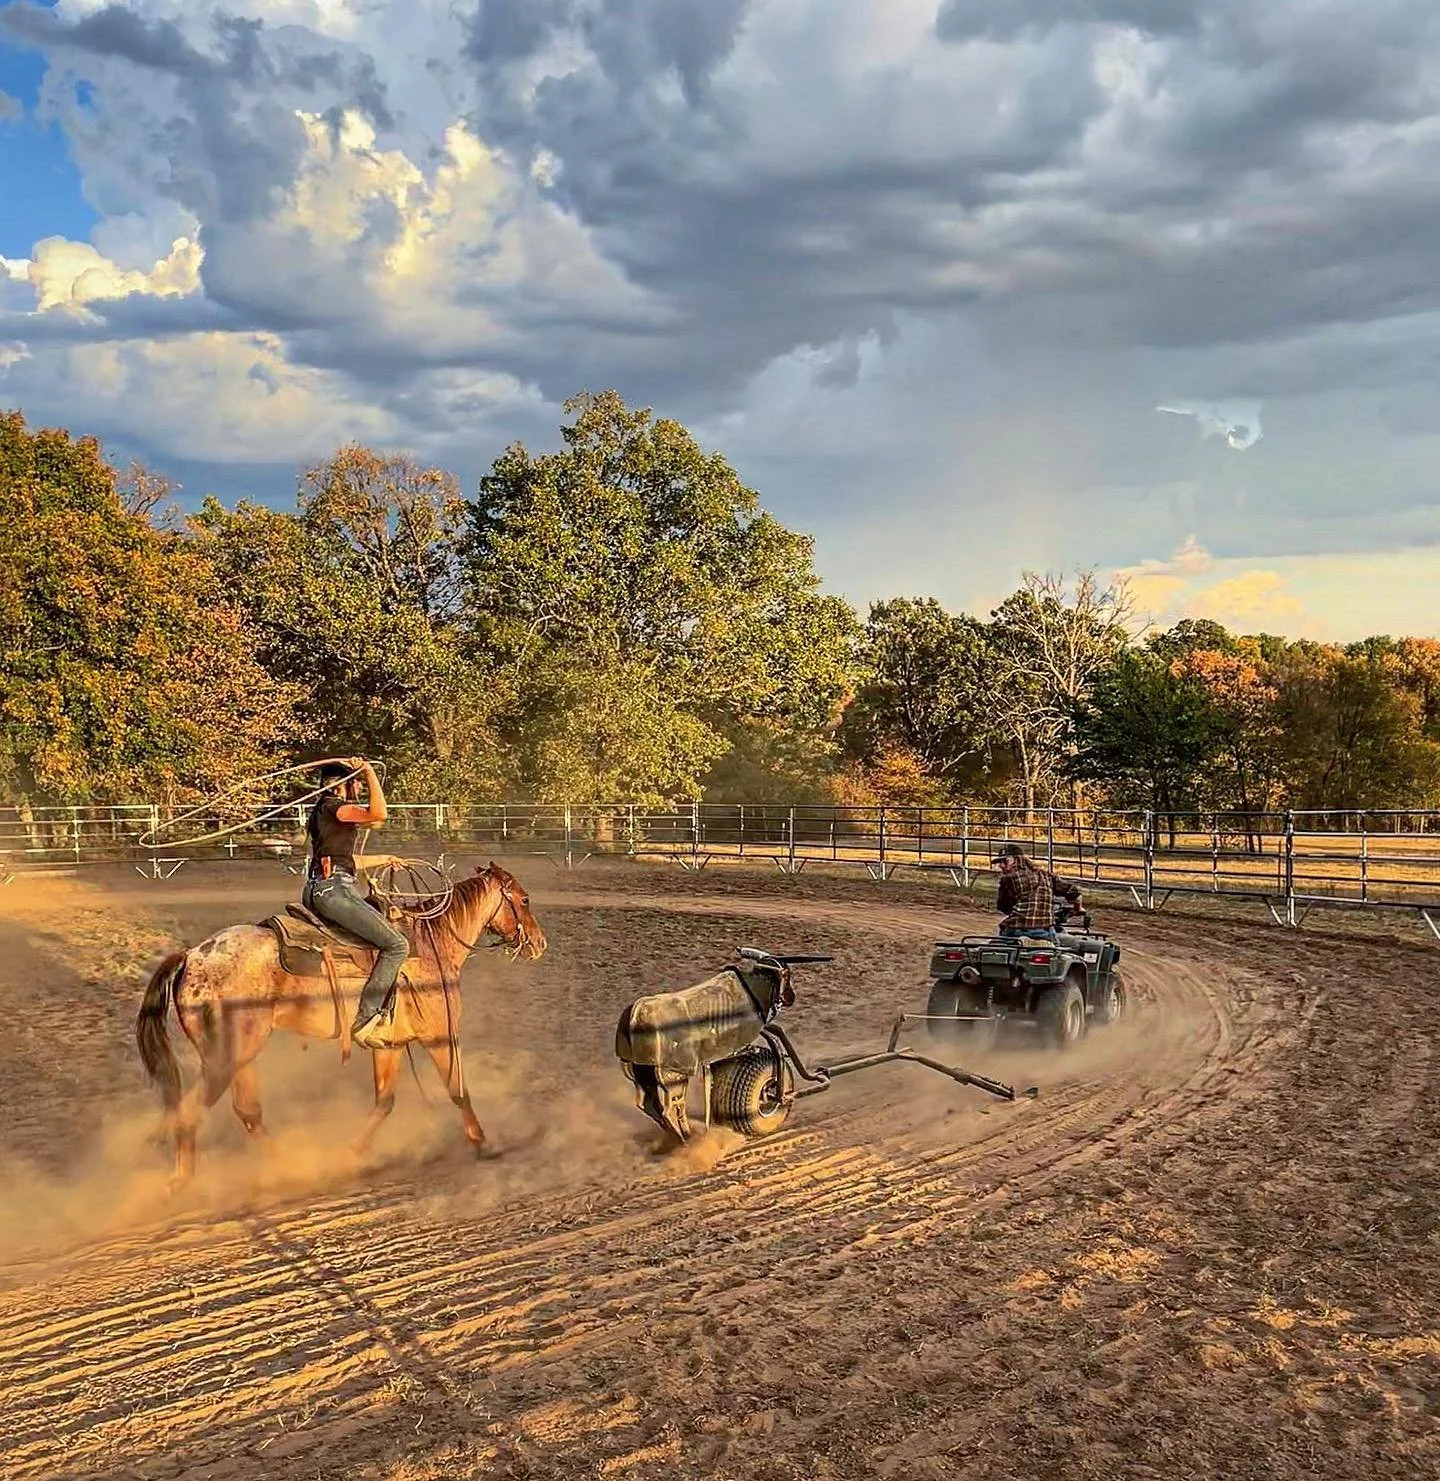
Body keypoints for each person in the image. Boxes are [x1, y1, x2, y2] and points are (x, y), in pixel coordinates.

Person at [302, 756, 408, 1050]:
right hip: (333, 891)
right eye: (356, 783)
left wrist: (385, 858)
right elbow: (379, 813)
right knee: (397, 945)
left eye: (361, 783)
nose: (359, 788)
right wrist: (369, 771)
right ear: (340, 786)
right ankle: (366, 1018)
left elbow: (345, 860)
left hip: (322, 886)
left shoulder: (323, 811)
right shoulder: (334, 807)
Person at [991, 843, 1083, 942]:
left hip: (1015, 929)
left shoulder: (1008, 878)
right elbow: (1075, 894)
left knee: (997, 945)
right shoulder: (1047, 875)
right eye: (1000, 862)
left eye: (1005, 861)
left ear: (1017, 860)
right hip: (1044, 930)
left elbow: (1003, 906)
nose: (1001, 865)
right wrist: (1077, 909)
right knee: (1056, 945)